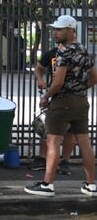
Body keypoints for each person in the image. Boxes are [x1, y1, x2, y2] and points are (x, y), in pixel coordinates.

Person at [25, 15, 97, 197]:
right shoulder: (84, 51)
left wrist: (46, 96)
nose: (55, 32)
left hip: (62, 101)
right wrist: (81, 88)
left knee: (53, 142)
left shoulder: (64, 53)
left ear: (71, 30)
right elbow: (95, 76)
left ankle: (47, 184)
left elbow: (58, 82)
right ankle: (91, 185)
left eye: (59, 29)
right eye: (55, 29)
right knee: (85, 143)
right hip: (81, 101)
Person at [30, 44, 77, 174]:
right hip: (55, 96)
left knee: (71, 130)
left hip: (73, 97)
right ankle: (42, 159)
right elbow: (38, 68)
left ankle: (65, 161)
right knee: (48, 127)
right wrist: (40, 80)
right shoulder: (52, 53)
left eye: (59, 30)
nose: (56, 34)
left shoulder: (78, 53)